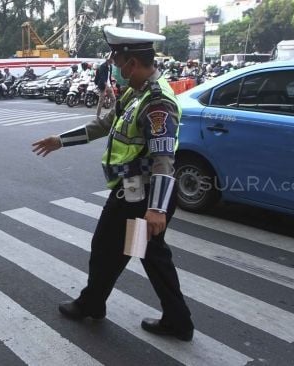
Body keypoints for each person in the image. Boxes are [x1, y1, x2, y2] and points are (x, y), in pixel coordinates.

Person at [31, 26, 195, 342]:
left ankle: (97, 304)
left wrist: (156, 209)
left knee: (116, 248)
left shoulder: (157, 103)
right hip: (133, 191)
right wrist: (60, 141)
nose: (115, 69)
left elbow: (163, 160)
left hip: (142, 197)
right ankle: (166, 317)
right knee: (132, 252)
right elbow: (104, 125)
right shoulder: (137, 92)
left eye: (117, 62)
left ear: (132, 62)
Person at [95, 54, 116, 120]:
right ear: (109, 59)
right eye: (112, 59)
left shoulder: (110, 66)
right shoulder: (102, 66)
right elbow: (102, 77)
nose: (113, 60)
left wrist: (111, 83)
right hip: (103, 85)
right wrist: (106, 86)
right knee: (101, 100)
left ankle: (111, 113)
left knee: (113, 99)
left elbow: (109, 76)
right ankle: (98, 116)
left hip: (109, 85)